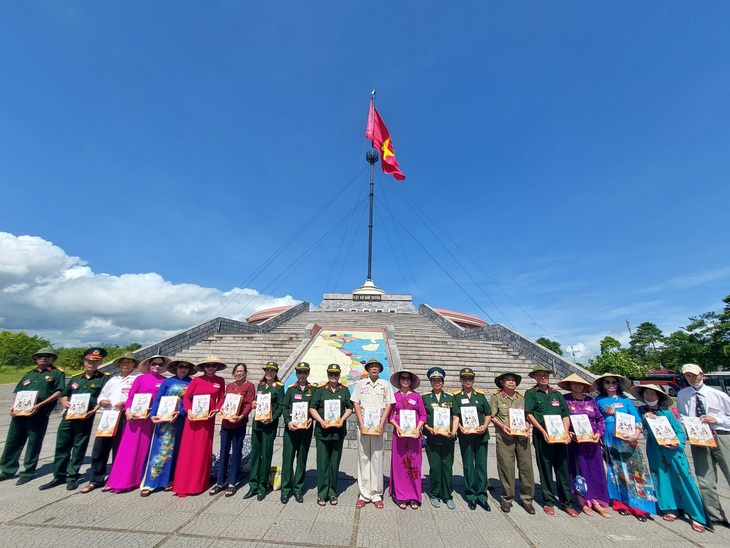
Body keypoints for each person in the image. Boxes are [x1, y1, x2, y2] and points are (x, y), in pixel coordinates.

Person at [632, 384, 706, 533]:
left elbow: (679, 432)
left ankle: (696, 514)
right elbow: (635, 425)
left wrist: (677, 443)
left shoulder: (668, 413)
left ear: (659, 396)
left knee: (684, 478)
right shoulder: (641, 411)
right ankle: (669, 507)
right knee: (661, 477)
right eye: (646, 394)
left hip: (673, 449)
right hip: (655, 449)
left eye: (652, 394)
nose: (649, 397)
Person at [39, 348, 110, 491]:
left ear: (100, 363)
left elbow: (103, 398)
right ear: (84, 362)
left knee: (79, 447)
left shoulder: (104, 378)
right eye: (89, 361)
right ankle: (58, 475)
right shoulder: (76, 378)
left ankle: (72, 476)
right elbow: (65, 394)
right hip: (69, 417)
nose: (92, 364)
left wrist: (93, 411)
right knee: (62, 446)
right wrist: (64, 401)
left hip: (85, 417)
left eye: (95, 362)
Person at [594, 373, 656, 521]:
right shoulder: (599, 400)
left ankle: (640, 506)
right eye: (607, 382)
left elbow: (636, 419)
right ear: (603, 385)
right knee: (616, 471)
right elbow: (597, 420)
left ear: (618, 385)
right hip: (609, 439)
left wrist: (636, 434)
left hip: (628, 439)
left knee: (635, 471)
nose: (610, 385)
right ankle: (620, 503)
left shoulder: (625, 400)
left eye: (613, 382)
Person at [105, 354, 170, 493]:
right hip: (136, 418)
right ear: (148, 365)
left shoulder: (165, 381)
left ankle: (139, 478)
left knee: (145, 449)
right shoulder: (140, 379)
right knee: (128, 449)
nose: (156, 366)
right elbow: (131, 397)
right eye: (154, 364)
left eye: (159, 364)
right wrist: (128, 411)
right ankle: (119, 480)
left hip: (152, 420)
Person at [0, 347, 65, 485]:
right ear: (35, 358)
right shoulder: (29, 374)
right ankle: (7, 469)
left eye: (47, 356)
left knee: (33, 443)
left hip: (38, 414)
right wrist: (13, 406)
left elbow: (58, 392)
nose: (43, 358)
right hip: (20, 413)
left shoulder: (56, 373)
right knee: (13, 442)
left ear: (52, 358)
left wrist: (39, 405)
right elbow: (18, 391)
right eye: (40, 356)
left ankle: (28, 471)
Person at [676, 363, 730, 528]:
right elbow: (682, 415)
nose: (692, 378)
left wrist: (717, 420)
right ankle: (714, 515)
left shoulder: (718, 395)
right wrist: (690, 423)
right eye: (688, 376)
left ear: (702, 375)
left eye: (694, 375)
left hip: (720, 434)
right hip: (699, 437)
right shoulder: (683, 394)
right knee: (705, 478)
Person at [79, 352, 140, 493]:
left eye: (128, 362)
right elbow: (102, 395)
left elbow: (139, 397)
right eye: (122, 362)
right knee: (99, 448)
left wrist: (126, 403)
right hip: (108, 416)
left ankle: (114, 478)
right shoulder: (113, 379)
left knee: (119, 449)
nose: (125, 364)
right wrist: (102, 401)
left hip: (124, 416)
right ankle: (95, 480)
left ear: (134, 364)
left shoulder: (137, 379)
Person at [170, 356, 226, 497]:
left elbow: (222, 397)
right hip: (193, 420)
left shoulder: (220, 381)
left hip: (207, 419)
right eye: (208, 365)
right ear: (203, 367)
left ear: (217, 367)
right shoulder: (196, 380)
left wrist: (217, 408)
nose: (211, 367)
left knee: (202, 449)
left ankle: (198, 483)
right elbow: (186, 397)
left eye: (213, 365)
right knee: (188, 450)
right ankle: (182, 483)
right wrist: (188, 410)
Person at [524, 365, 575, 517]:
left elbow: (565, 414)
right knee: (545, 468)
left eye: (545, 375)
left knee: (563, 469)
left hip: (560, 436)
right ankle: (548, 501)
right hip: (543, 436)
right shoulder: (532, 393)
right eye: (539, 375)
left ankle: (567, 502)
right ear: (535, 377)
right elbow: (529, 414)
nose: (543, 377)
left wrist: (566, 432)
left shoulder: (556, 394)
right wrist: (543, 431)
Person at [138, 359, 193, 496]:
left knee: (176, 450)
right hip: (164, 420)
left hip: (180, 421)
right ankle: (151, 482)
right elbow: (158, 398)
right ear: (175, 368)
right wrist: (152, 415)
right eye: (181, 366)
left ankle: (170, 480)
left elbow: (191, 401)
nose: (183, 369)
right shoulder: (168, 382)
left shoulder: (191, 382)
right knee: (160, 449)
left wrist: (180, 412)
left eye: (186, 367)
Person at [558, 373, 610, 517]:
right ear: (569, 386)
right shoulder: (565, 399)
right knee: (579, 471)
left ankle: (596, 501)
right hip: (576, 443)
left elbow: (600, 419)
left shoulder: (590, 401)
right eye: (574, 384)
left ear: (584, 387)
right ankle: (584, 501)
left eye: (580, 384)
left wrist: (599, 433)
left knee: (595, 471)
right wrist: (568, 432)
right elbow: (562, 417)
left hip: (592, 442)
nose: (577, 386)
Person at [489, 371, 535, 514]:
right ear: (502, 383)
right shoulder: (496, 397)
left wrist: (528, 427)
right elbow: (492, 415)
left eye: (513, 380)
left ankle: (527, 499)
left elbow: (527, 416)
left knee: (526, 468)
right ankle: (507, 498)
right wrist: (502, 426)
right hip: (505, 437)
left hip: (522, 438)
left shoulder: (521, 398)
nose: (511, 382)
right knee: (506, 468)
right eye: (508, 380)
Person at [351, 357, 395, 509]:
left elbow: (389, 404)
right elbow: (355, 403)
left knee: (377, 458)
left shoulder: (385, 385)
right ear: (368, 369)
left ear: (380, 369)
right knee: (363, 458)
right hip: (363, 427)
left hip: (378, 427)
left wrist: (382, 423)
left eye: (377, 366)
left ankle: (376, 494)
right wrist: (361, 423)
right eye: (372, 366)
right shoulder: (361, 384)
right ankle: (364, 494)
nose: (374, 368)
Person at [309, 363, 354, 505]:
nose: (333, 377)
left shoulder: (344, 390)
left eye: (336, 374)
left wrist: (341, 419)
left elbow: (350, 408)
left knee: (334, 462)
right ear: (327, 375)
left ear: (339, 375)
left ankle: (332, 492)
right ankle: (322, 493)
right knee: (322, 463)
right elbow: (312, 408)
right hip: (322, 431)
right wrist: (321, 420)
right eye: (331, 374)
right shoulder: (320, 390)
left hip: (337, 431)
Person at [209, 362, 255, 497]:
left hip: (238, 423)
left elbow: (248, 404)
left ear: (245, 373)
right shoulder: (229, 386)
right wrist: (222, 408)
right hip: (226, 423)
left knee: (236, 452)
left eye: (241, 371)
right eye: (236, 371)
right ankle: (220, 481)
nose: (238, 373)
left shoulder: (249, 386)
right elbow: (224, 400)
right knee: (223, 451)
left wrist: (241, 416)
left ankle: (232, 482)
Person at [453, 367, 492, 511]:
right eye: (464, 379)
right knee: (468, 465)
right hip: (466, 436)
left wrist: (485, 425)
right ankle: (471, 495)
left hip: (481, 435)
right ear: (461, 380)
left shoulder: (480, 396)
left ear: (473, 380)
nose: (467, 381)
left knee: (481, 465)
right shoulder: (456, 396)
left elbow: (488, 413)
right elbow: (455, 415)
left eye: (470, 379)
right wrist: (460, 428)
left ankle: (482, 495)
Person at [244, 361, 284, 501]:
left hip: (269, 426)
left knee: (266, 455)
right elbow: (256, 401)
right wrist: (254, 403)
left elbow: (280, 406)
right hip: (257, 424)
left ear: (276, 372)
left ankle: (262, 486)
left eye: (272, 371)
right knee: (255, 455)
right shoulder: (260, 385)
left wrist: (272, 419)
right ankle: (253, 485)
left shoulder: (279, 387)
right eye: (267, 370)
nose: (269, 373)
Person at [388, 369, 427, 510]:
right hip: (399, 435)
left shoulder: (417, 397)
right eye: (402, 378)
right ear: (399, 381)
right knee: (400, 465)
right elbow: (390, 416)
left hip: (414, 436)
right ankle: (401, 495)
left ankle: (414, 496)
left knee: (414, 464)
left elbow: (423, 415)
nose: (405, 381)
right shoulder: (394, 396)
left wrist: (417, 429)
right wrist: (397, 426)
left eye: (407, 379)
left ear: (411, 381)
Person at [279, 362, 316, 504]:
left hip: (305, 430)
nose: (302, 375)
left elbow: (315, 407)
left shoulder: (312, 390)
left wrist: (311, 419)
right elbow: (283, 407)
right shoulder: (291, 390)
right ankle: (285, 490)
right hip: (291, 430)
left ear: (308, 373)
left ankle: (298, 489)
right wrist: (288, 421)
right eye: (300, 372)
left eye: (304, 372)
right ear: (296, 373)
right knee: (287, 459)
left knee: (302, 459)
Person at [422, 367, 459, 510]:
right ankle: (435, 494)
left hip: (448, 438)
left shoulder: (450, 398)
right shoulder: (425, 398)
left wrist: (454, 431)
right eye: (434, 380)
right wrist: (428, 428)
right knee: (435, 467)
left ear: (443, 382)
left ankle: (447, 495)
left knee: (447, 467)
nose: (437, 383)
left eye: (439, 380)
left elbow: (455, 416)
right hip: (432, 438)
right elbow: (422, 417)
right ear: (431, 382)